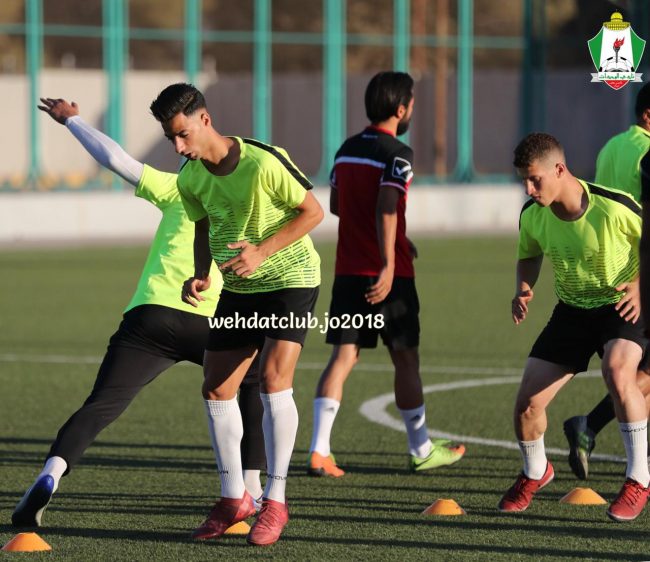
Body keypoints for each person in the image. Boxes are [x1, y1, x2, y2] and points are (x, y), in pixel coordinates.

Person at [11, 98, 266, 528]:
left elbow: (116, 159)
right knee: (254, 382)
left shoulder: (176, 188)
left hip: (149, 317)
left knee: (100, 405)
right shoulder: (237, 199)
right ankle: (252, 489)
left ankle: (51, 473)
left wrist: (72, 120)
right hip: (211, 319)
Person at [149, 83, 323, 546]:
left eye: (183, 134)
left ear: (205, 119)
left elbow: (313, 212)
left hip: (290, 280)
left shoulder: (263, 161)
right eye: (171, 138)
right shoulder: (190, 177)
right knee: (216, 387)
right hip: (240, 288)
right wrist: (200, 272)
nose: (178, 147)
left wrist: (262, 251)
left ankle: (275, 501)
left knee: (273, 379)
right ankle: (234, 499)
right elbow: (202, 224)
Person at [306, 71, 465, 478]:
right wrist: (390, 261)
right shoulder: (398, 153)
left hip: (347, 273)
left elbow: (340, 205)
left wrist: (399, 240)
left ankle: (319, 451)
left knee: (343, 356)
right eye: (411, 104)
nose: (412, 110)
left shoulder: (345, 150)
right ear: (400, 108)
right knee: (406, 360)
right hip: (387, 278)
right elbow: (386, 206)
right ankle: (421, 449)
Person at [500, 132, 649, 522]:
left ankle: (638, 479)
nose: (528, 189)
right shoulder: (532, 215)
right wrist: (523, 288)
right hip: (571, 311)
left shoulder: (615, 207)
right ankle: (536, 471)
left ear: (559, 170)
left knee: (618, 372)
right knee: (527, 405)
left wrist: (639, 285)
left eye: (535, 180)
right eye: (524, 181)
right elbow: (529, 254)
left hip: (621, 304)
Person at [562, 82, 650, 480]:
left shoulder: (611, 147)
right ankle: (591, 426)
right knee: (635, 373)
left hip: (611, 269)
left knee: (636, 372)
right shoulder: (646, 152)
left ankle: (591, 426)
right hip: (639, 271)